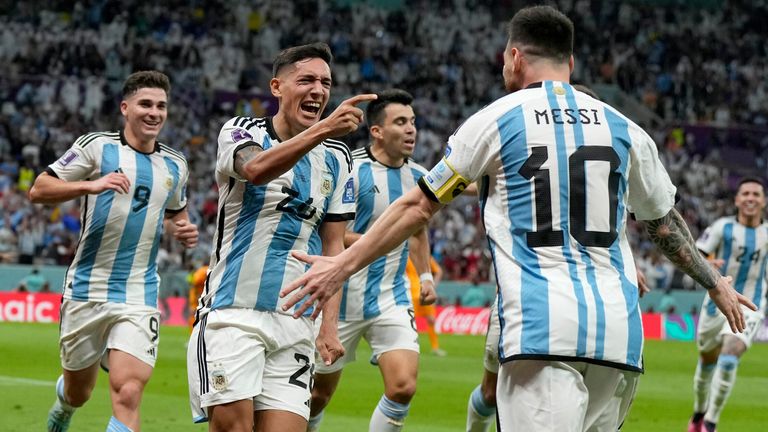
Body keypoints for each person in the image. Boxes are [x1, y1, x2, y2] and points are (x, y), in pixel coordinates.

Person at [281, 6, 755, 432]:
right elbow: (665, 225)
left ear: (513, 57)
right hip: (619, 336)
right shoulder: (624, 127)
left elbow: (419, 205)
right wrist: (714, 281)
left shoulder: (497, 119)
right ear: (571, 64)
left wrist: (340, 264)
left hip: (541, 330)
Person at [186, 42, 375, 432]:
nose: (319, 90)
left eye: (325, 82)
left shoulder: (338, 159)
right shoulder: (240, 131)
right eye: (306, 80)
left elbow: (333, 247)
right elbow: (255, 169)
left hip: (295, 324)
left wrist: (328, 326)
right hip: (232, 315)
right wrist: (324, 128)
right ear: (277, 87)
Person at [29, 70, 199, 432]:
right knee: (79, 391)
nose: (154, 112)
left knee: (128, 390)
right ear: (125, 108)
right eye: (146, 104)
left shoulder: (175, 165)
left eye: (161, 106)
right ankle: (64, 406)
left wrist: (181, 230)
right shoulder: (97, 147)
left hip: (138, 290)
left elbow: (173, 214)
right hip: (87, 287)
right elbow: (39, 190)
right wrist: (92, 184)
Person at [306, 88, 437, 432]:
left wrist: (425, 277)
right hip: (339, 299)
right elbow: (327, 232)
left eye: (412, 122)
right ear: (377, 131)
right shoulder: (350, 168)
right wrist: (378, 240)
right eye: (400, 122)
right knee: (317, 395)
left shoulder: (420, 178)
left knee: (403, 386)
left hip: (389, 298)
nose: (411, 130)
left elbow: (418, 230)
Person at [687, 177, 768, 432]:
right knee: (706, 364)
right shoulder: (722, 227)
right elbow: (696, 252)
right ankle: (699, 413)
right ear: (737, 200)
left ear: (763, 201)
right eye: (745, 193)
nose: (751, 198)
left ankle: (710, 423)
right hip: (716, 304)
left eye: (756, 194)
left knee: (730, 355)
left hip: (751, 304)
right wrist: (707, 265)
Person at [406, 255, 445, 356]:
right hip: (411, 292)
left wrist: (432, 285)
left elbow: (439, 271)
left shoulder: (425, 256)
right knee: (408, 321)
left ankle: (435, 348)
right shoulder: (407, 256)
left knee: (431, 319)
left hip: (422, 292)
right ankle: (408, 346)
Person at [188, 262, 208, 331]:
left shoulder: (202, 270)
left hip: (199, 298)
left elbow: (195, 281)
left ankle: (194, 333)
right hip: (205, 297)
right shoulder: (208, 270)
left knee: (194, 316)